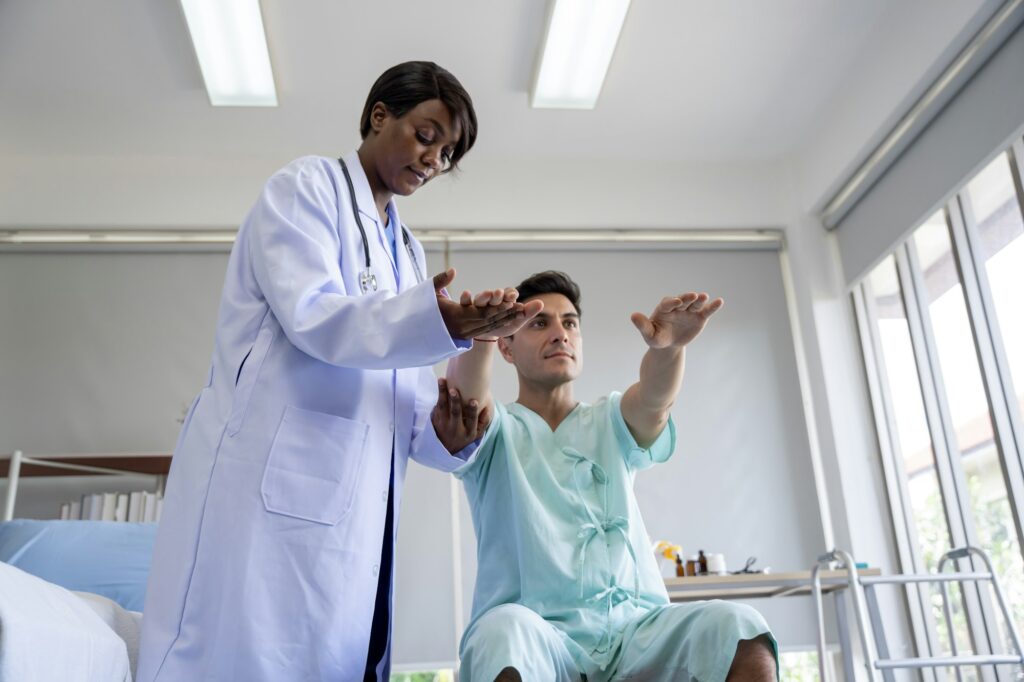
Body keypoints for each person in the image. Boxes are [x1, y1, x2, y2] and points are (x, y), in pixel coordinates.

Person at [136, 61, 541, 682]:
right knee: (244, 656)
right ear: (380, 115)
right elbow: (316, 317)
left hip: (354, 518)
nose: (434, 159)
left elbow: (400, 397)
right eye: (426, 134)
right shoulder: (307, 188)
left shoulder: (407, 252)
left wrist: (446, 435)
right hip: (269, 490)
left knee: (337, 657)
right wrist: (447, 324)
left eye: (448, 151)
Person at [441, 271, 778, 682]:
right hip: (540, 637)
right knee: (501, 632)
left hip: (637, 634)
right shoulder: (499, 430)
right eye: (539, 323)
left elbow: (654, 401)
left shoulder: (610, 419)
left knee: (738, 629)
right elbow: (466, 401)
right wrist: (482, 334)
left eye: (569, 323)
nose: (560, 333)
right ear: (507, 347)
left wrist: (668, 350)